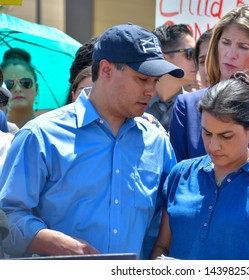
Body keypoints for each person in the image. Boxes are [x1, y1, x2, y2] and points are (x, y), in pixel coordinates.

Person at [0, 23, 184, 259]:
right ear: (106, 70)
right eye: (141, 79)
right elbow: (8, 215)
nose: (151, 91)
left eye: (155, 81)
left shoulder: (157, 142)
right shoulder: (41, 136)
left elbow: (168, 218)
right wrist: (50, 241)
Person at [150, 72, 249, 260]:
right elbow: (162, 246)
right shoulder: (181, 174)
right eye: (207, 133)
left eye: (226, 136)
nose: (213, 146)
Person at [169, 5, 249, 176]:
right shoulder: (186, 105)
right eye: (225, 43)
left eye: (243, 47)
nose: (230, 54)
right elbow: (177, 179)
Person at [146, 24, 197, 132]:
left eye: (197, 54)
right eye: (190, 53)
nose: (196, 61)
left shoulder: (196, 108)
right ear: (163, 58)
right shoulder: (134, 103)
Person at [1, 48, 38, 129]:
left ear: (37, 89)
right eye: (9, 84)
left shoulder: (48, 130)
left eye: (26, 82)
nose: (17, 89)